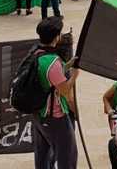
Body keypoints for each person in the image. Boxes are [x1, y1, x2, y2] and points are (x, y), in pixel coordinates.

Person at [30, 17, 80, 169]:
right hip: (55, 117)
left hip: (39, 115)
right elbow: (65, 91)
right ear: (57, 37)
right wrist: (75, 74)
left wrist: (67, 66)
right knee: (68, 157)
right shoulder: (53, 63)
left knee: (43, 158)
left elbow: (48, 79)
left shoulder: (36, 53)